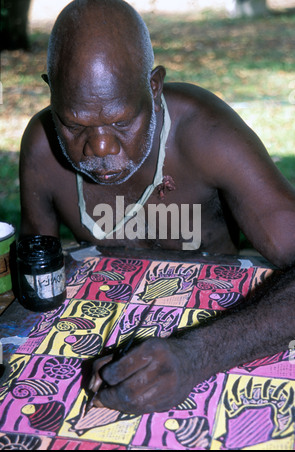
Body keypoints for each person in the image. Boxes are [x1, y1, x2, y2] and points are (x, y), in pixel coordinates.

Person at [19, 0, 295, 414]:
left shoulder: (207, 134)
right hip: (100, 343)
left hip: (224, 340)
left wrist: (197, 355)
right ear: (51, 91)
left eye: (121, 121)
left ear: (153, 86)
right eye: (75, 125)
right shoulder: (42, 150)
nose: (101, 148)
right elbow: (34, 285)